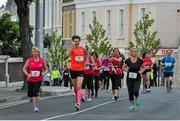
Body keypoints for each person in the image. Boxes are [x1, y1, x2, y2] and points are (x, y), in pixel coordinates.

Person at [23, 47, 49, 112]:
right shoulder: (30, 60)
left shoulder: (42, 60)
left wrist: (44, 73)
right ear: (32, 53)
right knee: (30, 93)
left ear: (38, 53)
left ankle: (36, 107)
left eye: (36, 52)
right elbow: (24, 68)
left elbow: (47, 69)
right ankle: (30, 97)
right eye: (33, 52)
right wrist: (27, 74)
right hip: (30, 79)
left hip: (39, 79)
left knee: (35, 92)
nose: (35, 53)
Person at [122, 47, 144, 111]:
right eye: (133, 51)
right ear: (131, 52)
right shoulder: (127, 60)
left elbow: (144, 67)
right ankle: (132, 105)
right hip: (129, 78)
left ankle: (137, 98)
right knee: (130, 92)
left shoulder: (140, 60)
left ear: (137, 52)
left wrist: (141, 71)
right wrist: (126, 70)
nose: (134, 52)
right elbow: (123, 67)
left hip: (137, 77)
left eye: (135, 51)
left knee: (135, 90)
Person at [69, 35, 85, 111]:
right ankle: (77, 100)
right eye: (75, 41)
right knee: (75, 88)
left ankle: (78, 103)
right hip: (73, 70)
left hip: (81, 70)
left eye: (77, 41)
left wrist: (85, 61)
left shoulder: (82, 49)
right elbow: (69, 54)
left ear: (79, 41)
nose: (76, 42)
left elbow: (87, 54)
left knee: (79, 86)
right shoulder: (72, 49)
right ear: (73, 42)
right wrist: (71, 48)